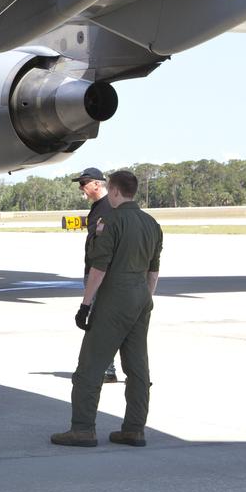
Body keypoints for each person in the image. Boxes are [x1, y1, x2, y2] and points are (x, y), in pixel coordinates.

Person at [52, 170, 163, 448]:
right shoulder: (151, 223)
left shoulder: (110, 221)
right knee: (137, 367)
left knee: (91, 365)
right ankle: (134, 429)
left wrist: (85, 305)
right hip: (141, 297)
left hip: (115, 297)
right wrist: (144, 301)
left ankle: (83, 429)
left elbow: (99, 268)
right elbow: (154, 271)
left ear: (113, 191)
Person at [73, 168, 120, 384]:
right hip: (94, 271)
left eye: (84, 183)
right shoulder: (98, 207)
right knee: (101, 322)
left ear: (97, 184)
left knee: (100, 322)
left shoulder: (108, 208)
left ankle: (105, 369)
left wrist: (96, 275)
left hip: (100, 273)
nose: (81, 187)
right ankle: (106, 368)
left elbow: (106, 246)